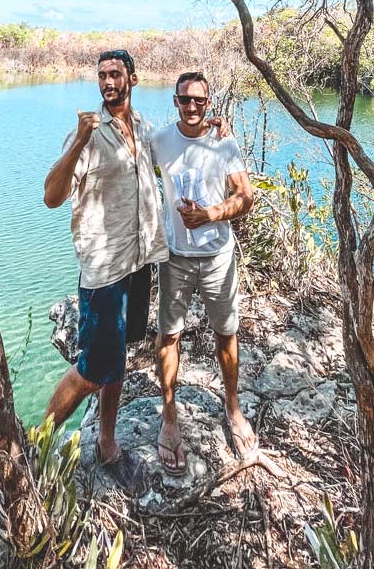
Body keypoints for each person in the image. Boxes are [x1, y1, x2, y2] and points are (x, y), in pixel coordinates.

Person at [42, 48, 168, 490]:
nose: (108, 82)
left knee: (119, 360)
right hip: (103, 271)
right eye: (102, 76)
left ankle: (108, 445)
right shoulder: (88, 135)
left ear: (133, 78)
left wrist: (211, 131)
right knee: (92, 368)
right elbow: (52, 196)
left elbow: (178, 147)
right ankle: (37, 447)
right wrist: (78, 139)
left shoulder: (144, 130)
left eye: (116, 74)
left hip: (139, 263)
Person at [152, 71, 255, 473]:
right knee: (169, 334)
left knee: (226, 333)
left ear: (208, 103)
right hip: (175, 257)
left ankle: (233, 409)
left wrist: (212, 214)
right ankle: (169, 415)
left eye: (199, 101)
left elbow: (245, 195)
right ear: (175, 101)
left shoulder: (222, 141)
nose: (191, 107)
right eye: (184, 100)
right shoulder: (160, 141)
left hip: (217, 257)